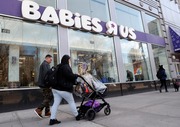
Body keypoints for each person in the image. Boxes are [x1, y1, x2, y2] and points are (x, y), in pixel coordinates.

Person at [49, 55, 80, 125]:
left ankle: (52, 119)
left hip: (55, 89)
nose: (69, 61)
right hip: (63, 89)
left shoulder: (59, 66)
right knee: (71, 101)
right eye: (69, 59)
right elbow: (69, 76)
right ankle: (77, 116)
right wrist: (76, 75)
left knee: (55, 104)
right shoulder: (65, 67)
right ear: (67, 60)